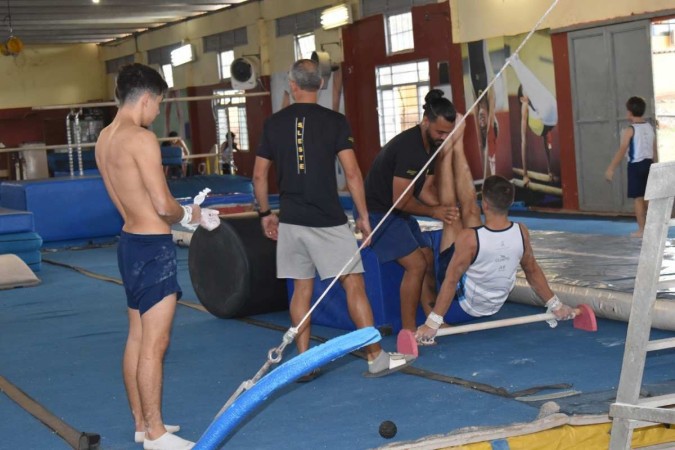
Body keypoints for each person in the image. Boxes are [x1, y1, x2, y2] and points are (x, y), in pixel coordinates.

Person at [252, 59, 415, 381]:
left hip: (292, 220)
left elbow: (259, 175)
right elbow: (352, 172)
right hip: (327, 220)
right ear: (322, 85)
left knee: (301, 290)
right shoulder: (335, 122)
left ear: (292, 86)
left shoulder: (274, 123)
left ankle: (304, 362)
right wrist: (363, 217)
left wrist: (264, 214)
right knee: (353, 284)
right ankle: (375, 357)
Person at [96, 63, 213, 450]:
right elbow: (163, 205)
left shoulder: (104, 139)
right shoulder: (141, 139)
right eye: (158, 105)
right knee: (155, 344)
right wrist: (193, 217)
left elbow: (123, 203)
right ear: (146, 98)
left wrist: (165, 215)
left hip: (129, 242)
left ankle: (142, 424)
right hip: (153, 248)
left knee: (136, 337)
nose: (157, 113)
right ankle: (157, 435)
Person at [415, 152, 577, 343]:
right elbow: (532, 271)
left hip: (462, 309)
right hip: (494, 306)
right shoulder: (521, 231)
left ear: (485, 204)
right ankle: (456, 149)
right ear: (510, 202)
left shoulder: (469, 238)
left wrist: (432, 323)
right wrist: (556, 305)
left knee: (427, 255)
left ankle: (453, 149)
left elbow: (450, 281)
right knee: (469, 214)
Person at [362, 89, 460, 331]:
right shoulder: (410, 148)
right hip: (378, 211)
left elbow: (424, 189)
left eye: (449, 133)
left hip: (397, 210)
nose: (444, 137)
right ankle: (408, 332)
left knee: (427, 255)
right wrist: (435, 212)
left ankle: (430, 320)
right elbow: (400, 200)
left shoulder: (434, 144)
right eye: (440, 132)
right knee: (416, 264)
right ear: (425, 121)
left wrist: (442, 206)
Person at [605, 96, 657, 238]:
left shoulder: (631, 129)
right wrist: (655, 165)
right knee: (648, 198)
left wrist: (611, 168)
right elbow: (654, 148)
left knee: (638, 199)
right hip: (649, 164)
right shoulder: (649, 127)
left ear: (629, 112)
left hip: (636, 166)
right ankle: (653, 227)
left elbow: (622, 150)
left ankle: (642, 229)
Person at [510, 54, 559, 186]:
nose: (530, 93)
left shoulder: (538, 101)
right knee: (541, 103)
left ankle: (516, 62)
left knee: (547, 139)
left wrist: (550, 171)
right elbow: (523, 140)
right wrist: (525, 174)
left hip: (546, 123)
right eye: (527, 91)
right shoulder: (525, 107)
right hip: (537, 124)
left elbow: (547, 143)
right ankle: (515, 62)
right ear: (522, 98)